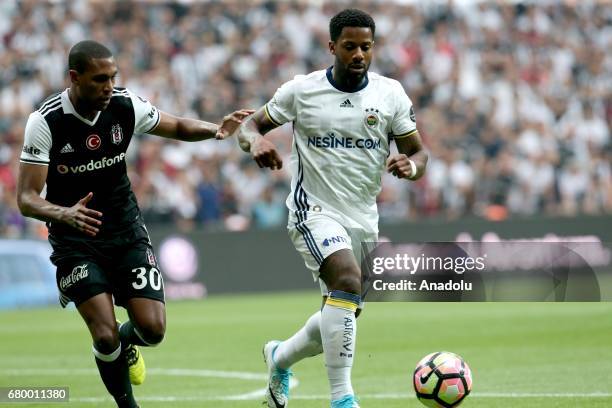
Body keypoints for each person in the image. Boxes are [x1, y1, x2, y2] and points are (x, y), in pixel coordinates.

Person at [16, 40, 252, 408]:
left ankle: (130, 343)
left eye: (112, 77)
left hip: (126, 231)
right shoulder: (45, 122)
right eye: (99, 80)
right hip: (75, 240)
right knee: (104, 334)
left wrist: (216, 130)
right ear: (74, 78)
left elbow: (175, 125)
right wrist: (63, 213)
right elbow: (26, 198)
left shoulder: (125, 105)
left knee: (153, 329)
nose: (108, 87)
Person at [237, 8, 428, 408]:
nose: (359, 54)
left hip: (363, 217)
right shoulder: (301, 91)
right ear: (331, 47)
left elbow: (419, 152)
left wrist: (411, 167)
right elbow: (250, 125)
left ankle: (279, 357)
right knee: (345, 280)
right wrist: (256, 143)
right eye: (350, 46)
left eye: (366, 47)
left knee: (340, 316)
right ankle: (343, 398)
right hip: (313, 210)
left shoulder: (389, 94)